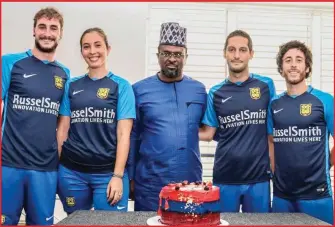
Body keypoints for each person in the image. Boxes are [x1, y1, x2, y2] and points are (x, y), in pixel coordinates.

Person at [128, 22, 207, 211]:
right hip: (150, 184)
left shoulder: (199, 90)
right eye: (166, 53)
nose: (172, 59)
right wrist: (129, 178)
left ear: (185, 56)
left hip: (190, 183)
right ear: (158, 55)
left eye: (178, 54)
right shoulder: (139, 90)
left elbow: (209, 129)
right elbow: (131, 136)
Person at [1, 7, 70, 225]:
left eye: (53, 28)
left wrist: (56, 154)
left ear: (60, 34)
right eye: (42, 27)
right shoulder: (10, 62)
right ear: (33, 30)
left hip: (45, 169)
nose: (47, 33)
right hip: (9, 164)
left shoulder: (64, 73)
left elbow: (63, 120)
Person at [56, 27, 135, 214]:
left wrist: (117, 175)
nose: (92, 51)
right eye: (86, 47)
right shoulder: (72, 85)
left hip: (108, 174)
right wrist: (58, 167)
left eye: (97, 45)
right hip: (72, 172)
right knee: (75, 221)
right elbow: (63, 130)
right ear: (82, 51)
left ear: (108, 49)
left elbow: (124, 134)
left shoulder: (121, 86)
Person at [199, 30, 276, 213]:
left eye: (242, 50)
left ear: (251, 54)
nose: (236, 55)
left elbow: (272, 133)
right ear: (224, 53)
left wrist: (275, 169)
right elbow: (208, 133)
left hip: (259, 178)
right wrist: (176, 130)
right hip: (225, 177)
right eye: (231, 50)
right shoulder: (216, 92)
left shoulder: (266, 86)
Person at [268, 40, 333, 224]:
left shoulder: (324, 100)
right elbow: (271, 140)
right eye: (288, 60)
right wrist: (275, 173)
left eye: (299, 60)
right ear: (282, 68)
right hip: (282, 196)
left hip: (317, 196)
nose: (293, 64)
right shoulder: (274, 104)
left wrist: (326, 166)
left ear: (307, 67)